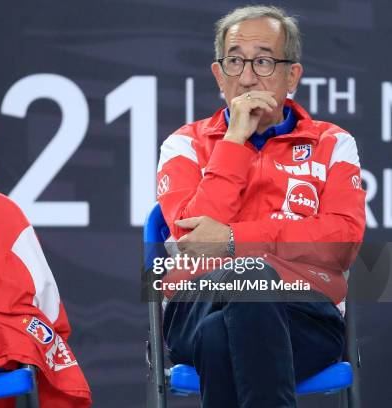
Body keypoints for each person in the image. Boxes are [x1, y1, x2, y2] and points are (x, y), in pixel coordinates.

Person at [155, 5, 365, 408]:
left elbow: (342, 243)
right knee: (246, 284)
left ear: (293, 76)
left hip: (306, 316)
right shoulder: (184, 144)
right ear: (218, 74)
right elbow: (190, 242)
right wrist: (233, 142)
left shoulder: (333, 143)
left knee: (223, 335)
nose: (248, 77)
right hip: (195, 306)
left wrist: (234, 240)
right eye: (235, 61)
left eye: (264, 61)